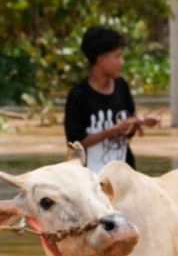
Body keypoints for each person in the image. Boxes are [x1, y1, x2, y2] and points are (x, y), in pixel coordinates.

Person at [65, 26, 159, 173]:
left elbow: (128, 128)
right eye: (117, 56)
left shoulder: (122, 87)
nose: (122, 62)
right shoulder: (78, 96)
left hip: (124, 173)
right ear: (101, 61)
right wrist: (113, 130)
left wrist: (137, 123)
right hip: (92, 179)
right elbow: (76, 144)